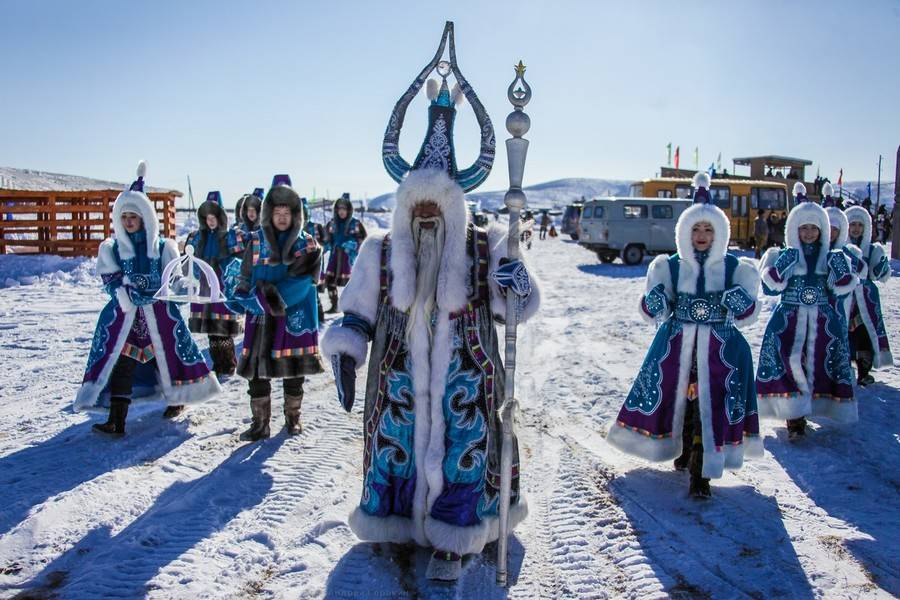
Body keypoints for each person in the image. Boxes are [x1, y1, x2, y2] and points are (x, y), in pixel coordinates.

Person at [320, 37, 539, 581]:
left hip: (469, 375)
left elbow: (521, 305)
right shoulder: (379, 250)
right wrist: (347, 352)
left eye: (434, 206)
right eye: (415, 206)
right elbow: (357, 310)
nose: (424, 216)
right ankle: (396, 524)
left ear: (452, 207)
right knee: (398, 448)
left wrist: (516, 280)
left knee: (465, 446)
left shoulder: (486, 246)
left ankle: (455, 537)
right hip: (397, 376)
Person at [607, 172, 762, 498]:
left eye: (709, 229)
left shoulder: (736, 268)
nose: (702, 235)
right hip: (678, 348)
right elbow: (653, 311)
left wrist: (737, 300)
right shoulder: (670, 266)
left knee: (711, 407)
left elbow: (749, 313)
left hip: (722, 352)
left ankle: (701, 472)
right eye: (696, 229)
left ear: (720, 232)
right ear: (684, 233)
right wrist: (656, 300)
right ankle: (682, 449)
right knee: (683, 402)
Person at [76, 161, 221, 435]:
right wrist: (124, 293)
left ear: (144, 218)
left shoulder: (164, 247)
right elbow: (111, 280)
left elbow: (174, 279)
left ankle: (178, 399)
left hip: (160, 318)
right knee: (122, 364)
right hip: (127, 317)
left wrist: (182, 285)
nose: (128, 222)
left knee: (165, 358)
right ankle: (117, 421)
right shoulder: (113, 248)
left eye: (133, 216)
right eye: (124, 217)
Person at [756, 183, 858, 438]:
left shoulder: (832, 256)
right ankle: (795, 416)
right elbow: (770, 289)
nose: (810, 233)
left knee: (817, 365)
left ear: (822, 230)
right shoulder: (785, 254)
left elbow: (840, 291)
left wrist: (841, 273)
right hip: (789, 321)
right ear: (794, 229)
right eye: (804, 227)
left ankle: (810, 406)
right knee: (791, 364)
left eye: (814, 228)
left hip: (822, 322)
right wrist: (780, 268)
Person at [226, 175, 324, 440]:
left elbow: (304, 283)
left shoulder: (308, 245)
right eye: (277, 212)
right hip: (260, 319)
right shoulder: (256, 241)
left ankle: (293, 418)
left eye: (287, 213)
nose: (282, 217)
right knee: (257, 373)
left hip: (294, 317)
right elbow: (245, 274)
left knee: (294, 372)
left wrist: (266, 298)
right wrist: (239, 292)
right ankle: (260, 424)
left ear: (296, 215)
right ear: (268, 213)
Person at [184, 191, 245, 380]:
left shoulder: (230, 237)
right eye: (207, 218)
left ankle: (227, 364)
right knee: (211, 329)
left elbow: (239, 260)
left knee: (222, 328)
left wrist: (228, 270)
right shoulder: (197, 237)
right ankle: (217, 362)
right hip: (204, 287)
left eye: (214, 218)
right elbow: (189, 261)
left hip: (221, 285)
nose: (211, 221)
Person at [845, 205, 893, 385]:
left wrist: (881, 264)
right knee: (845, 333)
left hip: (866, 299)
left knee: (865, 334)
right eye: (852, 224)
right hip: (846, 297)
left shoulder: (872, 249)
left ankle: (864, 372)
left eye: (860, 225)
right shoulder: (840, 248)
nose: (856, 228)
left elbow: (878, 275)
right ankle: (845, 368)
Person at [321, 193, 367, 313]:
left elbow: (363, 239)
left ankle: (354, 307)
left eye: (344, 209)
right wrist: (322, 248)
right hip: (335, 256)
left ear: (349, 210)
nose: (341, 212)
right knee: (330, 281)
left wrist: (353, 244)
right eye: (339, 209)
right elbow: (326, 239)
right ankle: (334, 304)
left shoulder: (355, 223)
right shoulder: (332, 224)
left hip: (349, 258)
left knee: (352, 283)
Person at [302, 197, 327, 324]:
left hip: (313, 264)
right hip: (299, 265)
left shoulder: (316, 227)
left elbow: (325, 243)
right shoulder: (293, 230)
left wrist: (318, 249)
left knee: (313, 290)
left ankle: (319, 315)